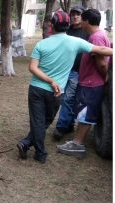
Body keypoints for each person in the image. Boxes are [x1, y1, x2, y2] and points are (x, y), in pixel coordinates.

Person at [16, 10, 113, 164]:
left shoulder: (41, 43)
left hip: (36, 89)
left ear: (52, 26)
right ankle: (39, 153)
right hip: (55, 91)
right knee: (45, 120)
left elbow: (33, 68)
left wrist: (49, 80)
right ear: (67, 26)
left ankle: (28, 143)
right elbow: (101, 50)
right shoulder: (75, 42)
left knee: (38, 121)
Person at [57, 9, 111, 158]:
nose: (81, 22)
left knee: (85, 113)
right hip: (88, 81)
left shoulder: (96, 37)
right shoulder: (97, 35)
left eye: (82, 20)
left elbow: (101, 63)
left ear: (86, 21)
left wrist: (105, 77)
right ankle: (77, 140)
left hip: (91, 83)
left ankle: (78, 144)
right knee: (82, 112)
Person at [52, 6, 90, 140]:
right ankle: (68, 125)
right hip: (63, 70)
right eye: (73, 14)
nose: (75, 16)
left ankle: (61, 127)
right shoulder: (66, 31)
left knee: (68, 98)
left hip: (78, 72)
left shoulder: (87, 32)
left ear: (82, 16)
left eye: (78, 14)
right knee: (63, 98)